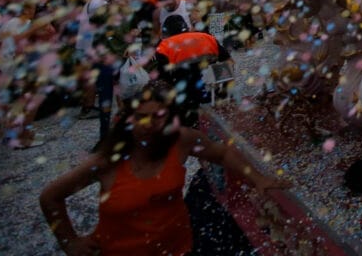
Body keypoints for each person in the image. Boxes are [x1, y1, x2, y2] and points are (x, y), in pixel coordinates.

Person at [40, 88, 284, 255]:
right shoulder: (107, 161)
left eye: (158, 117)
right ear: (128, 119)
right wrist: (69, 241)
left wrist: (257, 178)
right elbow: (50, 196)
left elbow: (221, 153)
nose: (149, 125)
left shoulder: (180, 140)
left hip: (177, 248)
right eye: (141, 117)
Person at [151, 17, 230, 127]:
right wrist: (223, 89)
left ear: (166, 32)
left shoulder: (164, 46)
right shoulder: (206, 37)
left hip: (182, 87)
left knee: (186, 116)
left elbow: (163, 76)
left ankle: (188, 132)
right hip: (203, 85)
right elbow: (227, 60)